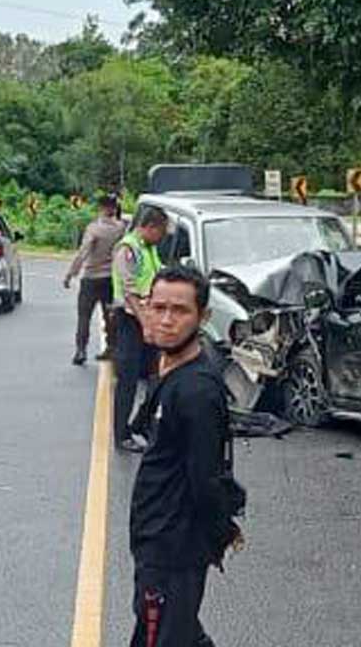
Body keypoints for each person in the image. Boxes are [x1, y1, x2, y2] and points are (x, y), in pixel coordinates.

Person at [128, 266, 229, 647]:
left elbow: (206, 477)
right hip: (156, 540)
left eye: (181, 311)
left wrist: (215, 535)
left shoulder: (197, 391)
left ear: (203, 317)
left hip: (172, 545)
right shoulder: (169, 363)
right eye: (159, 307)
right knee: (177, 632)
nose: (167, 320)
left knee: (161, 637)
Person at [112, 205, 168, 453]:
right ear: (150, 226)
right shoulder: (128, 249)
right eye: (162, 231)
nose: (163, 237)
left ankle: (141, 423)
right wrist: (145, 323)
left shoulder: (149, 248)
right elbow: (130, 292)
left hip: (149, 318)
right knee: (128, 380)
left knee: (157, 376)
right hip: (131, 321)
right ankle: (122, 434)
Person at [64, 193, 127, 366]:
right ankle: (111, 348)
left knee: (84, 316)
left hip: (91, 279)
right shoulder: (120, 228)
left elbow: (83, 252)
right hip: (110, 279)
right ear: (114, 208)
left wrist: (71, 274)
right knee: (110, 316)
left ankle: (81, 350)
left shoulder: (93, 228)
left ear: (100, 208)